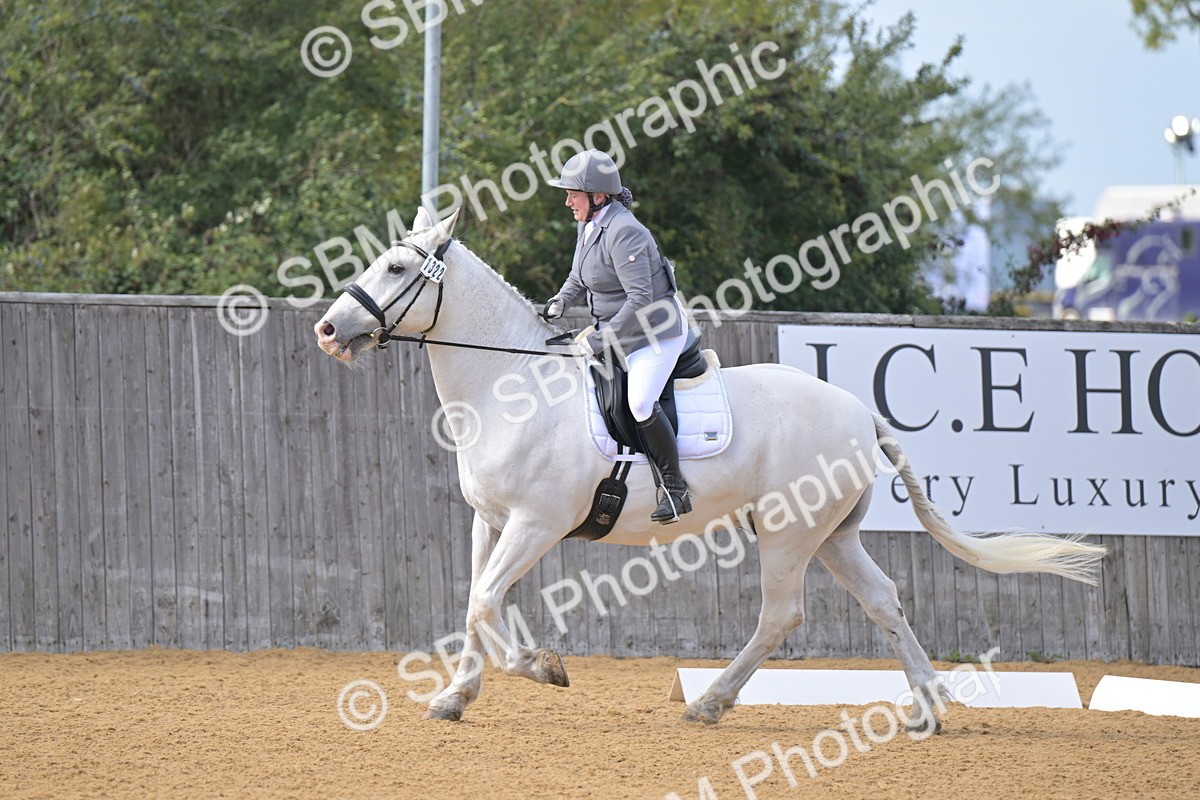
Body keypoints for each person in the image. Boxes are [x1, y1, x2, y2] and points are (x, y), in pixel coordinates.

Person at [543, 149, 692, 524]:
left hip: (655, 331)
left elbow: (641, 300)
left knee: (640, 401)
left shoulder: (625, 231)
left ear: (597, 196)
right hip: (621, 329)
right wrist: (561, 301)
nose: (567, 201)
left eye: (572, 194)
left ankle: (675, 490)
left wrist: (599, 339)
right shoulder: (590, 224)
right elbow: (579, 276)